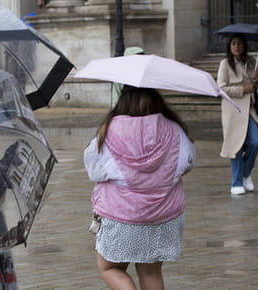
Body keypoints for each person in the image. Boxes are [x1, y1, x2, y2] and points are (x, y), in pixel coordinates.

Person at [83, 86, 195, 290]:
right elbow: (188, 162)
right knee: (151, 272)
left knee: (110, 268)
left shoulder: (109, 131)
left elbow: (94, 170)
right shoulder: (174, 130)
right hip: (163, 217)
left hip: (121, 217)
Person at [216, 33, 258, 196]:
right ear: (229, 46)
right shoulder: (225, 64)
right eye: (233, 43)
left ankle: (245, 173)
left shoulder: (251, 61)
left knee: (255, 142)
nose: (236, 46)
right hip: (233, 110)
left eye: (240, 43)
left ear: (244, 45)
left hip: (250, 109)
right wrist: (243, 89)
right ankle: (236, 183)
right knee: (236, 145)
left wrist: (256, 80)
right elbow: (221, 88)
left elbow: (255, 87)